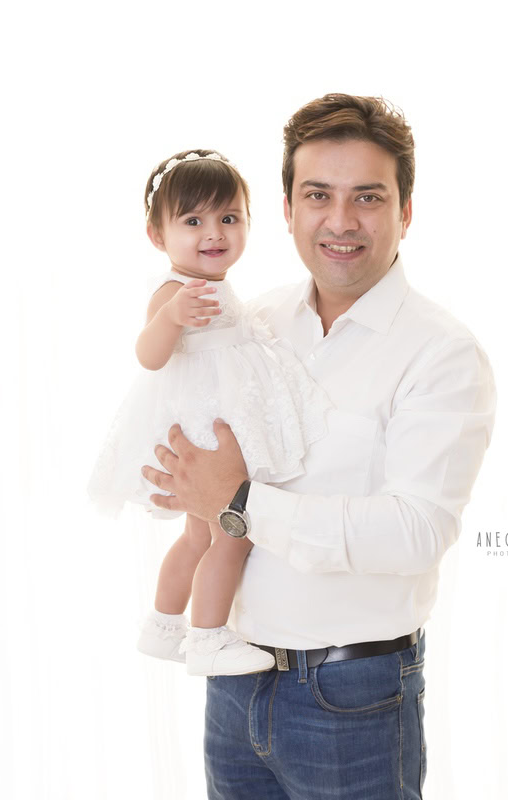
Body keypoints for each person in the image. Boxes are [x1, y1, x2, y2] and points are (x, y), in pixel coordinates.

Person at [141, 95, 497, 798]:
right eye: (318, 196)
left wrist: (238, 506)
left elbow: (414, 531)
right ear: (287, 209)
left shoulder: (441, 354)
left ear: (407, 211)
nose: (340, 221)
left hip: (352, 698)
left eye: (368, 196)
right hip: (234, 682)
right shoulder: (252, 320)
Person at [87, 149, 331, 677]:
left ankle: (162, 624)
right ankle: (208, 637)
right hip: (203, 428)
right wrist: (170, 317)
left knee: (198, 537)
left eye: (229, 218)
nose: (213, 233)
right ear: (158, 235)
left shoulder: (217, 284)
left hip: (214, 418)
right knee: (232, 532)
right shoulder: (174, 290)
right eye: (192, 220)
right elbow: (149, 356)